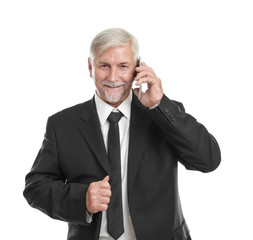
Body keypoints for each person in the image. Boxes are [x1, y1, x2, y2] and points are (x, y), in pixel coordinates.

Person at [23, 28, 221, 240]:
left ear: (137, 67)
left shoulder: (160, 114)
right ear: (91, 67)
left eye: (123, 66)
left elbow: (208, 160)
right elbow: (36, 187)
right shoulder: (62, 124)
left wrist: (159, 104)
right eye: (104, 66)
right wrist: (82, 200)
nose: (113, 77)